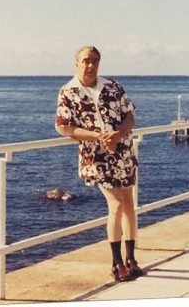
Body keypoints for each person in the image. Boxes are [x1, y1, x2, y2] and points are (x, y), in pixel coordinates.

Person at [55, 45, 143, 282]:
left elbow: (130, 115)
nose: (90, 65)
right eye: (86, 60)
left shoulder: (112, 86)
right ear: (77, 63)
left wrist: (118, 134)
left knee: (128, 203)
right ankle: (116, 263)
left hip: (123, 151)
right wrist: (97, 136)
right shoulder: (68, 91)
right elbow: (64, 127)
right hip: (97, 157)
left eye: (94, 60)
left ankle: (131, 259)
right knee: (116, 204)